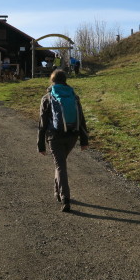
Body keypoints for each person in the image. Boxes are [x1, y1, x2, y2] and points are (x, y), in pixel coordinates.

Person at [38, 69, 89, 212]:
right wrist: (84, 140)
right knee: (60, 163)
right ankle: (57, 192)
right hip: (72, 135)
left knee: (60, 166)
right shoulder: (73, 96)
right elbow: (82, 118)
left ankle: (65, 198)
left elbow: (42, 123)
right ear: (65, 80)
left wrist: (40, 144)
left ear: (52, 81)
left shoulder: (47, 97)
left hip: (54, 137)